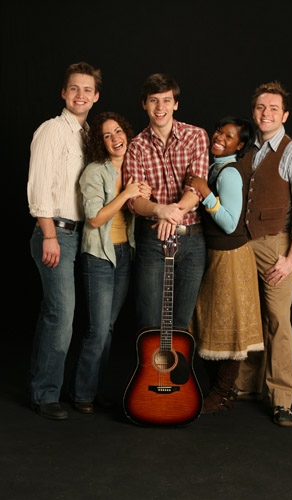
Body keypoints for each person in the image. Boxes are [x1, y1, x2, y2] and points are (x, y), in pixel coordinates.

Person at [232, 81, 292, 427]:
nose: (266, 114)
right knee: (247, 316)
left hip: (276, 244)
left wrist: (290, 259)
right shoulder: (247, 150)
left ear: (285, 115)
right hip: (243, 243)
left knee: (278, 320)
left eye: (274, 109)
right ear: (254, 111)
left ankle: (282, 399)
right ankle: (246, 386)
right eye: (261, 108)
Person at [27, 61, 102, 420]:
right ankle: (45, 394)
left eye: (87, 90)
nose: (80, 95)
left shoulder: (88, 135)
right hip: (55, 233)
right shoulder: (52, 131)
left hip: (81, 235)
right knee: (62, 314)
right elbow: (39, 187)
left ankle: (52, 386)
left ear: (96, 96)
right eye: (74, 88)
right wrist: (49, 235)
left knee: (59, 314)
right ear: (63, 92)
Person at [72, 112, 151, 414]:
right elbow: (94, 219)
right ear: (100, 142)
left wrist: (143, 193)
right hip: (98, 257)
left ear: (127, 134)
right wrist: (127, 193)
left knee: (108, 328)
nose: (115, 138)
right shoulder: (94, 171)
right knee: (97, 329)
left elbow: (140, 208)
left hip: (124, 255)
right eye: (106, 135)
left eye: (118, 131)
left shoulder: (134, 169)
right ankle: (82, 393)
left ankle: (93, 390)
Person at [187, 116, 264, 414]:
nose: (219, 137)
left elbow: (230, 224)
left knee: (231, 327)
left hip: (230, 257)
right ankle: (221, 390)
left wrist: (206, 194)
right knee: (206, 322)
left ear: (240, 145)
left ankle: (221, 394)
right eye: (219, 131)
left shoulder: (229, 173)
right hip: (214, 255)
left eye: (228, 136)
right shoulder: (214, 165)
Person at [123, 72, 210, 333]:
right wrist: (161, 209)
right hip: (152, 240)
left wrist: (173, 213)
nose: (160, 108)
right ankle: (150, 375)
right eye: (153, 100)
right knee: (149, 322)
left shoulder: (196, 136)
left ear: (176, 104)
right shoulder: (136, 146)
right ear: (144, 104)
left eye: (166, 100)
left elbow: (196, 187)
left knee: (181, 324)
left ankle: (176, 376)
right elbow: (135, 201)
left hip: (192, 240)